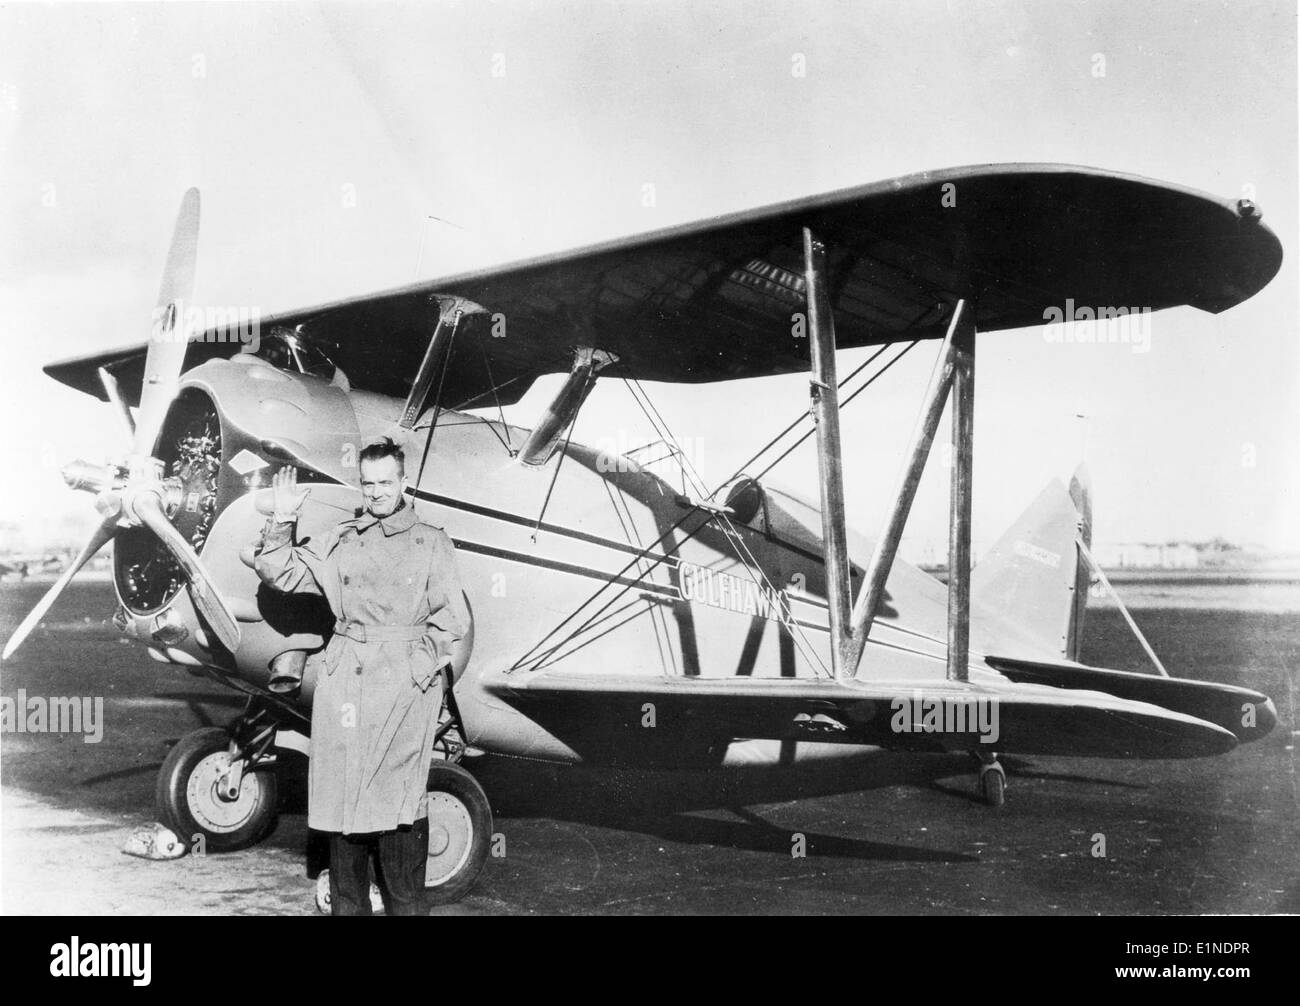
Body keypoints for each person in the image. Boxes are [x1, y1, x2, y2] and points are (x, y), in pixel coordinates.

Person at [253, 438, 468, 915]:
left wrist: (417, 674)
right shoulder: (341, 538)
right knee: (343, 808)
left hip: (404, 686)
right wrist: (282, 520)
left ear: (403, 482)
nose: (375, 493)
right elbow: (281, 573)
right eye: (367, 483)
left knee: (399, 815)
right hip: (345, 680)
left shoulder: (430, 540)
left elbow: (452, 619)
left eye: (385, 483)